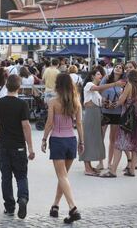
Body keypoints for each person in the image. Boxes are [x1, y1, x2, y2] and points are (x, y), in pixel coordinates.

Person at [41, 73, 84, 224]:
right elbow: (79, 124)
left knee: (62, 176)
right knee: (63, 176)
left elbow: (49, 123)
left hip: (58, 140)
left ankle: (73, 207)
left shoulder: (53, 102)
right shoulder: (76, 102)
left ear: (58, 86)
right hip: (71, 140)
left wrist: (44, 139)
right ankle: (55, 206)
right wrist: (82, 142)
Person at [0, 74, 35, 219]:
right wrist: (30, 148)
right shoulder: (22, 104)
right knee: (21, 176)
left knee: (6, 176)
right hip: (19, 145)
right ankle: (22, 198)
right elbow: (26, 126)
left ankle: (9, 206)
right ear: (19, 87)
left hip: (3, 144)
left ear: (6, 85)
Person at [79, 70, 124, 176]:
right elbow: (98, 88)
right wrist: (114, 84)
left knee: (92, 140)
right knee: (88, 139)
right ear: (92, 76)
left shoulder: (94, 89)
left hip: (95, 115)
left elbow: (98, 99)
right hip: (91, 115)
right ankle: (87, 168)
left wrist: (106, 103)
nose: (101, 76)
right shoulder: (90, 84)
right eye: (98, 74)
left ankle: (89, 166)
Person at [101, 69, 137, 178]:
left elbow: (121, 101)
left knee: (119, 144)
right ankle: (132, 170)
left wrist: (116, 100)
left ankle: (113, 171)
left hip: (128, 118)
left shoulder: (129, 85)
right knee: (135, 145)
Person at [100, 63, 124, 170]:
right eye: (116, 67)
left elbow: (125, 96)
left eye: (120, 68)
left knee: (112, 139)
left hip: (117, 112)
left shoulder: (124, 82)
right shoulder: (106, 79)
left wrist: (116, 103)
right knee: (101, 137)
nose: (118, 68)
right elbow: (99, 90)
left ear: (123, 71)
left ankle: (109, 162)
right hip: (105, 111)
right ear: (113, 69)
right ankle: (100, 161)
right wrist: (104, 100)